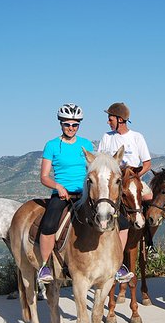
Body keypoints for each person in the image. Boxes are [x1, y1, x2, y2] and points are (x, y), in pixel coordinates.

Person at [37, 103, 133, 284]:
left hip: (86, 194)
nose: (71, 128)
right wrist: (58, 187)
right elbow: (44, 176)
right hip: (63, 193)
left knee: (122, 222)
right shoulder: (51, 145)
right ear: (61, 124)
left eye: (75, 125)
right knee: (49, 224)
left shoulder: (86, 144)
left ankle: (118, 264)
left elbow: (96, 170)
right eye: (67, 124)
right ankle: (45, 266)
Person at [98, 101, 151, 273]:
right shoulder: (107, 137)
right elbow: (101, 160)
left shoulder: (137, 137)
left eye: (110, 118)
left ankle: (148, 238)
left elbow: (147, 163)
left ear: (120, 119)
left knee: (150, 199)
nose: (108, 122)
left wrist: (134, 179)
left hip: (133, 180)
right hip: (114, 182)